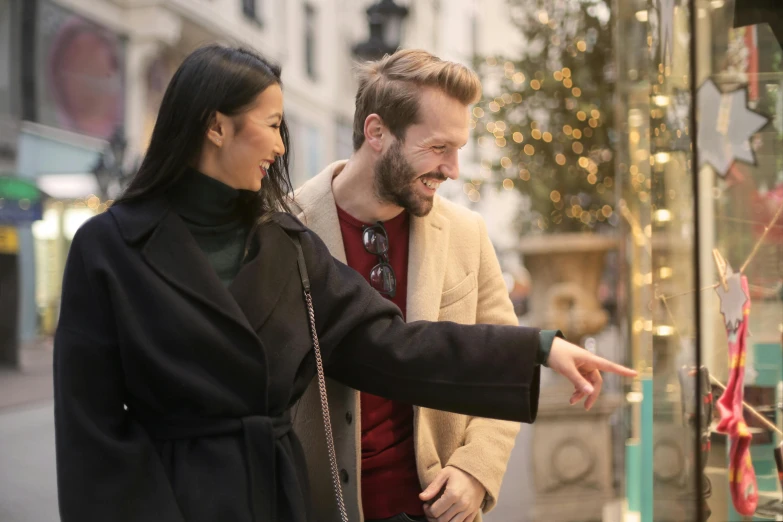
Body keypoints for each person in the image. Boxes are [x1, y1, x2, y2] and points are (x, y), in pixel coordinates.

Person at [53, 44, 636, 522]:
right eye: (274, 126)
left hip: (278, 501)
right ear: (215, 126)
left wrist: (537, 346)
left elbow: (392, 345)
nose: (282, 146)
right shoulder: (108, 248)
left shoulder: (280, 242)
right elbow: (91, 436)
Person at [290, 49, 560, 522]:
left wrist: (476, 470)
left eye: (458, 149)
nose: (453, 169)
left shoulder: (467, 233)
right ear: (376, 132)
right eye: (439, 148)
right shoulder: (284, 229)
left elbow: (495, 366)